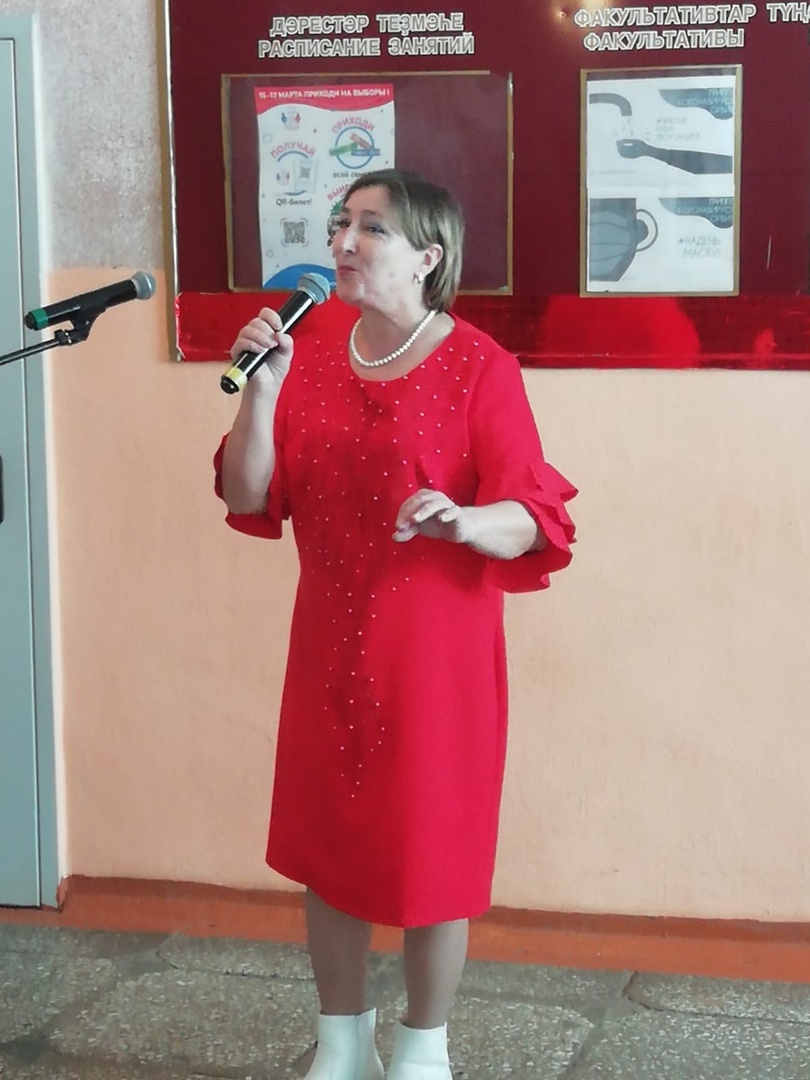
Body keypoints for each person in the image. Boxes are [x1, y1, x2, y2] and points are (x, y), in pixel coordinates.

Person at [214, 169, 576, 1080]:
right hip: (328, 646)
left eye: (371, 227)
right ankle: (342, 1043)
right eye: (341, 222)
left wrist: (465, 521)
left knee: (431, 853)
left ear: (428, 256)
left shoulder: (480, 366)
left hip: (434, 659)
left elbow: (534, 516)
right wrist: (261, 392)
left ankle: (423, 1048)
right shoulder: (308, 348)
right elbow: (247, 494)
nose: (344, 241)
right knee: (328, 848)